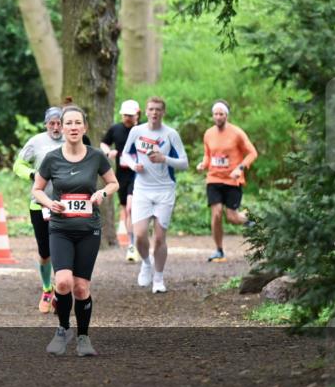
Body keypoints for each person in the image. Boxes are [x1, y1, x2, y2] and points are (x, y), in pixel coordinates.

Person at [32, 105, 118, 357]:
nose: (72, 127)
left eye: (76, 123)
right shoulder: (52, 158)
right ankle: (62, 330)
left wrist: (102, 192)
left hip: (88, 230)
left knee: (80, 288)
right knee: (62, 282)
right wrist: (49, 203)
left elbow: (113, 183)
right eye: (67, 123)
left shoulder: (95, 157)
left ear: (84, 127)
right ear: (62, 127)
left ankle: (83, 337)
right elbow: (37, 189)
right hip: (60, 229)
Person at [15, 103, 91, 313]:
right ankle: (47, 288)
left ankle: (60, 290)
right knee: (45, 252)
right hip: (40, 205)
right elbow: (18, 165)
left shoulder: (74, 141)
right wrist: (32, 174)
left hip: (67, 205)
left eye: (59, 123)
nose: (56, 128)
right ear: (46, 124)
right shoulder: (36, 142)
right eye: (52, 123)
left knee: (64, 248)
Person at [121, 97, 189, 293]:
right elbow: (125, 154)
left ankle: (158, 278)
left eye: (158, 109)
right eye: (151, 109)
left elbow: (184, 163)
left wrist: (164, 159)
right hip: (142, 188)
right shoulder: (136, 131)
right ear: (146, 111)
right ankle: (146, 263)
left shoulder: (171, 134)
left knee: (159, 238)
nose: (154, 113)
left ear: (163, 112)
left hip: (165, 190)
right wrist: (134, 165)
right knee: (140, 234)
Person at [196, 100, 258, 262]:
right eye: (215, 114)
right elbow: (208, 154)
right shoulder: (208, 133)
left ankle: (248, 219)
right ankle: (219, 250)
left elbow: (252, 153)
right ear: (212, 116)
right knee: (216, 214)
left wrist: (240, 168)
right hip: (214, 179)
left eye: (221, 114)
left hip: (232, 181)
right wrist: (204, 164)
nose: (218, 117)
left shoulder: (237, 133)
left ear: (226, 115)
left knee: (232, 217)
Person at [100, 99, 141, 263]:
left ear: (137, 114)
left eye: (130, 115)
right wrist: (109, 152)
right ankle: (135, 241)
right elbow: (104, 143)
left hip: (139, 175)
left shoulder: (143, 129)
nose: (127, 118)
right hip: (121, 175)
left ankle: (133, 245)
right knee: (126, 209)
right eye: (125, 115)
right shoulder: (116, 129)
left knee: (131, 208)